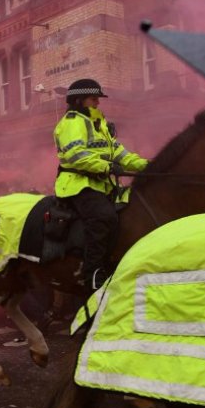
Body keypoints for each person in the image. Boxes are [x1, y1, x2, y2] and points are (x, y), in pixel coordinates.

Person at [53, 79, 148, 290]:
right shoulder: (72, 122)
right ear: (79, 101)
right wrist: (106, 167)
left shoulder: (100, 123)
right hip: (77, 184)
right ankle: (93, 275)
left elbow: (120, 153)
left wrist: (147, 165)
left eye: (98, 99)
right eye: (93, 98)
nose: (97, 103)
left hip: (101, 185)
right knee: (103, 217)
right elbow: (77, 155)